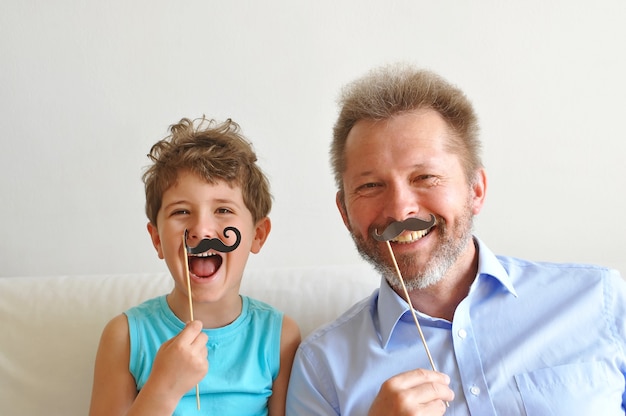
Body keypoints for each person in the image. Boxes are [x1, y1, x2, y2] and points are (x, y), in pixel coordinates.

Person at [286, 64, 626, 415]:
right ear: (344, 212)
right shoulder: (320, 368)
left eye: (425, 177)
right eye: (371, 186)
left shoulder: (600, 299)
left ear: (475, 190)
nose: (401, 210)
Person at [89, 117, 301, 416]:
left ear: (258, 234)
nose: (201, 230)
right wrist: (163, 388)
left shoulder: (279, 337)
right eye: (182, 211)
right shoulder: (124, 337)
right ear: (157, 239)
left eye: (223, 210)